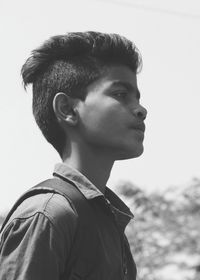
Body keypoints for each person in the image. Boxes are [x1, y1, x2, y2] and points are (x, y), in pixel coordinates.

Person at [0, 31, 147, 280]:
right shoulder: (48, 214)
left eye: (137, 97)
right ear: (67, 109)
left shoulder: (110, 225)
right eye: (121, 94)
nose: (141, 109)